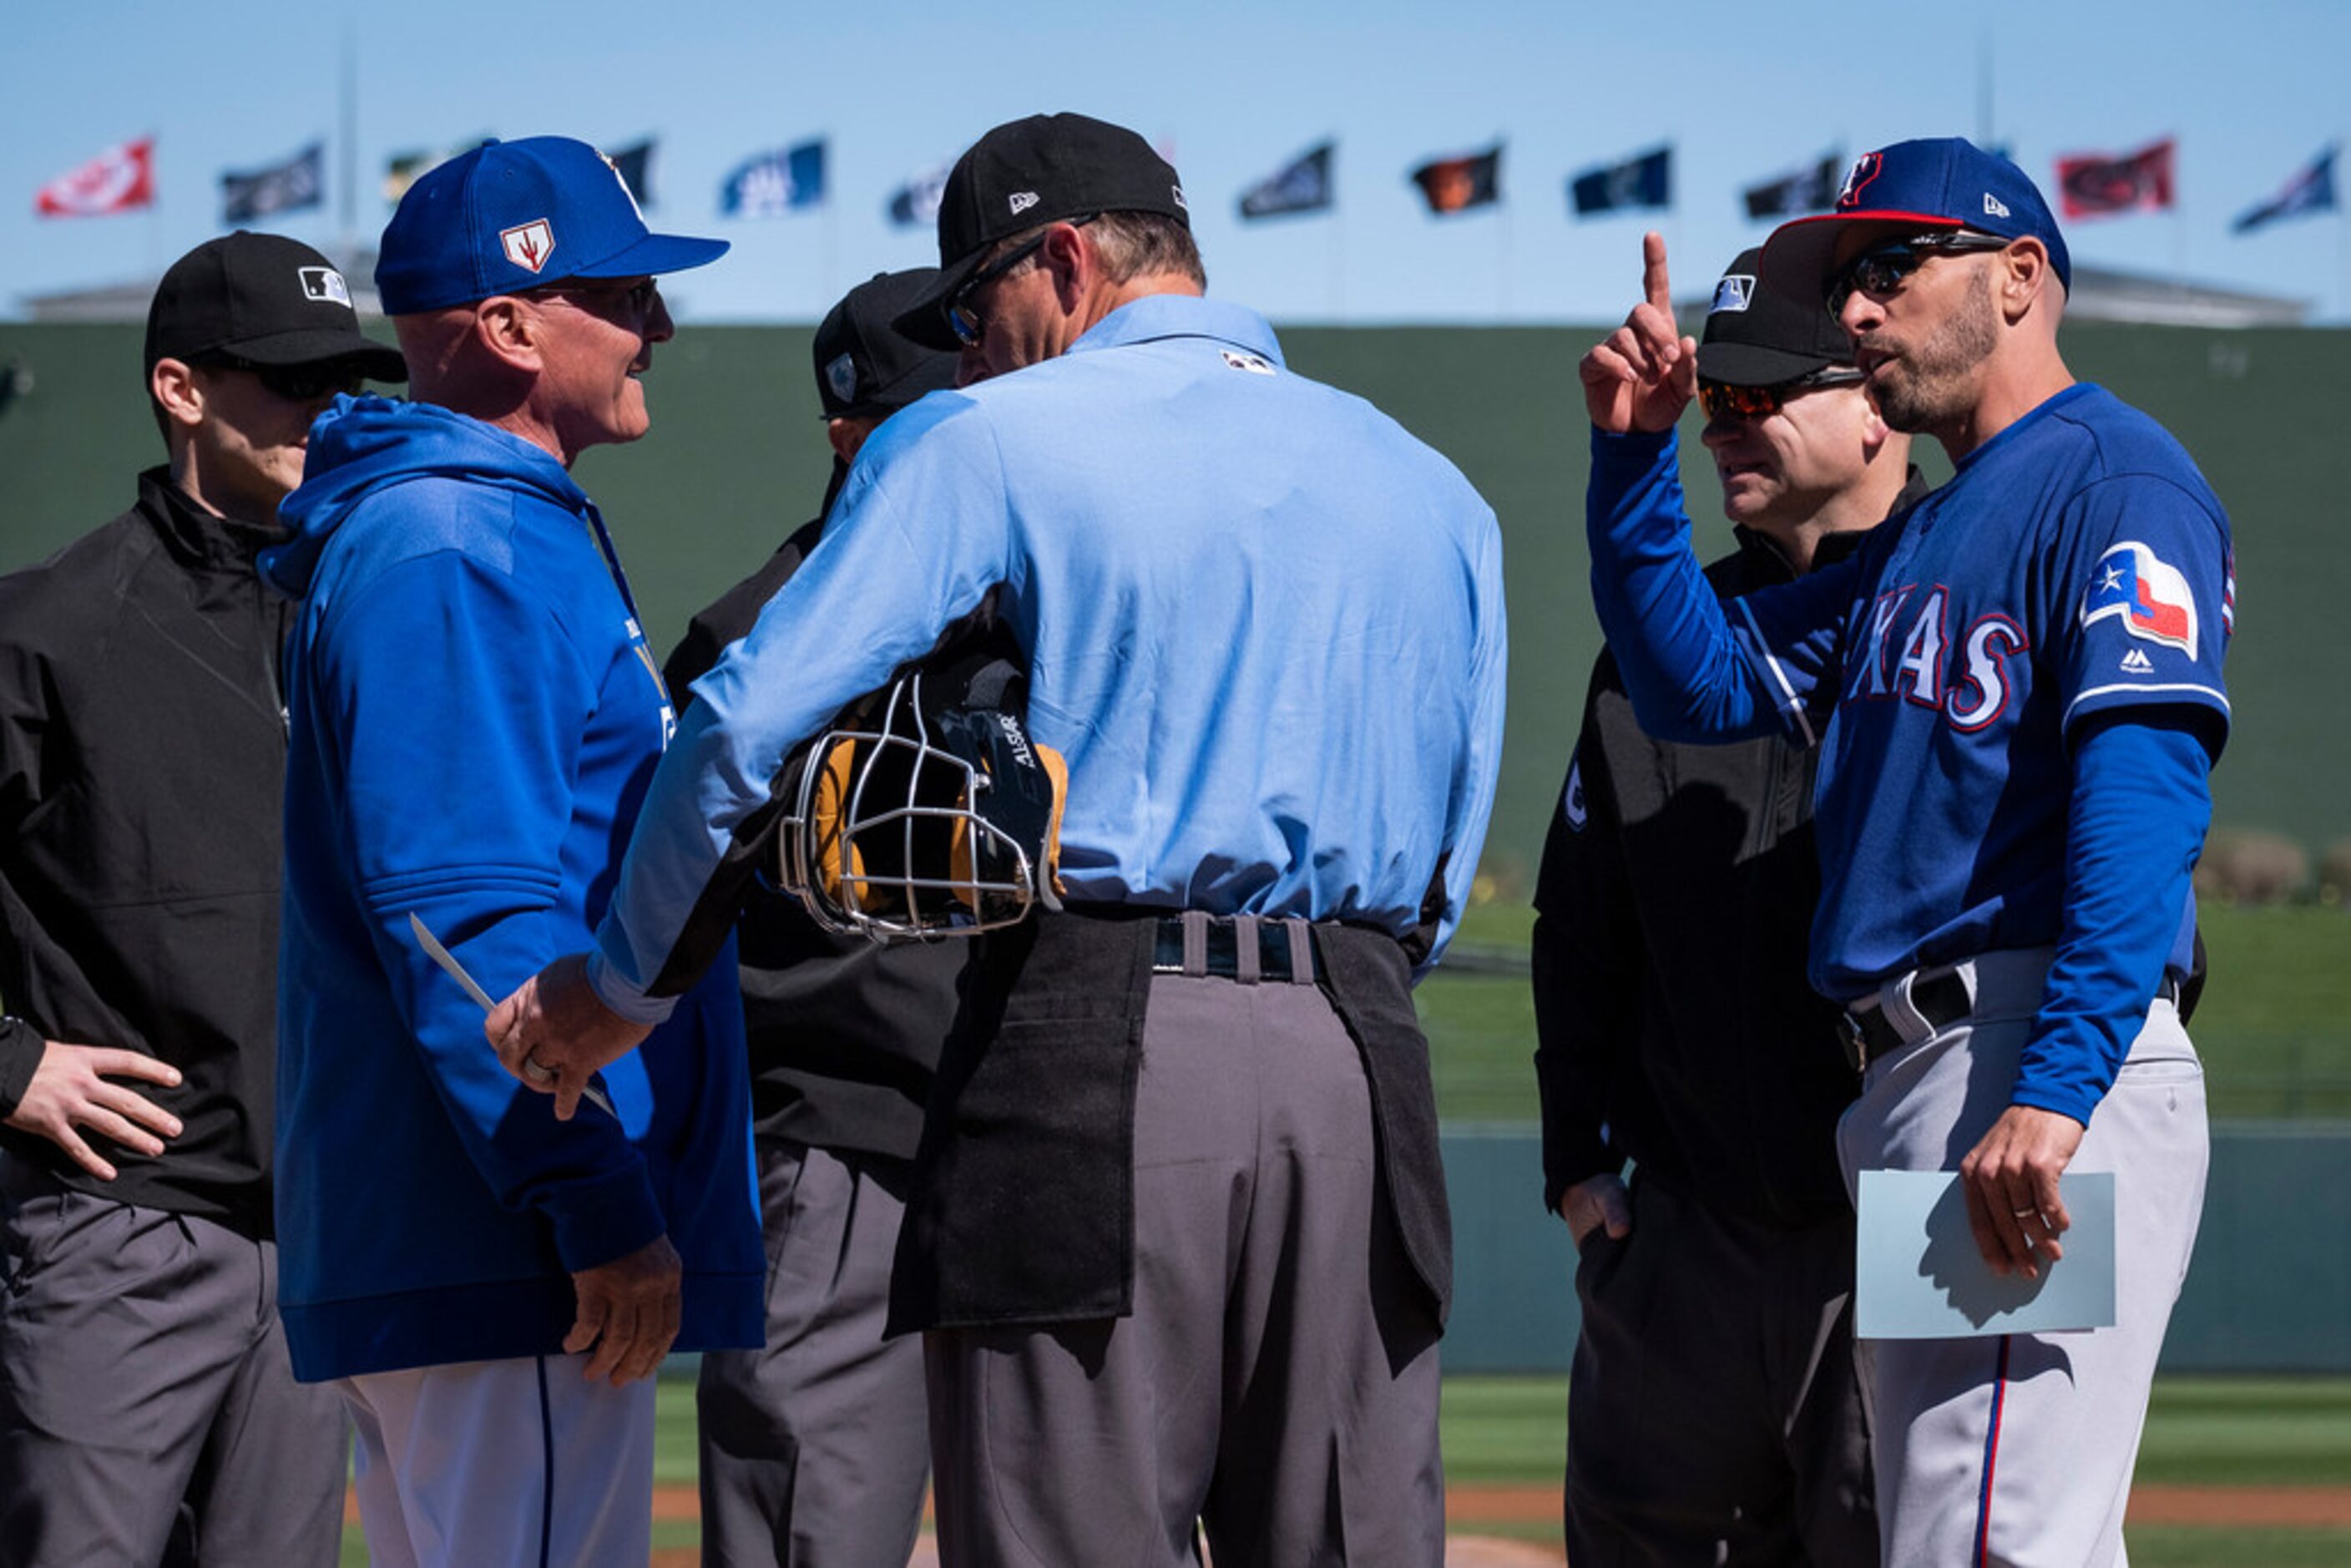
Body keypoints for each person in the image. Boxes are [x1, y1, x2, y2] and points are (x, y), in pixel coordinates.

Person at [490, 111, 1507, 1565]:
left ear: (1068, 262)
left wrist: (620, 989)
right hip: (1364, 1050)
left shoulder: (982, 437)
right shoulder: (1437, 489)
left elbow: (740, 729)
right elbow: (1450, 865)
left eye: (980, 304)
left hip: (1099, 1033)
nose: (970, 343)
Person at [1578, 138, 2226, 1566]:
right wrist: (1635, 454)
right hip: (1923, 1075)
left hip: (2028, 1049)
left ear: (2018, 279)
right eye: (1846, 282)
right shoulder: (1920, 542)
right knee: (1986, 1522)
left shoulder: (2117, 476)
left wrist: (2056, 1091)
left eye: (1889, 267)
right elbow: (1692, 685)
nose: (1857, 309)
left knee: (1984, 1533)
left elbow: (2144, 799)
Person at [264, 136, 763, 1568]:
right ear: (506, 325)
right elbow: (461, 913)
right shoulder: (452, 541)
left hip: (477, 1232)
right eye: (622, 292)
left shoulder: (464, 524)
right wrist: (593, 1204)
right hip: (505, 1239)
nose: (656, 326)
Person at [0, 230, 403, 1566]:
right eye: (289, 379)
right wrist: (10, 1062)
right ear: (182, 388)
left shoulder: (362, 611)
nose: (324, 412)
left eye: (345, 382)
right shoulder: (52, 626)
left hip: (315, 1250)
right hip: (121, 1228)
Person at [1534, 246, 1924, 1566]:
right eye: (1719, 399)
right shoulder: (1663, 637)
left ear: (1877, 402)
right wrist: (1580, 1167)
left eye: (1764, 394)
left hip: (1913, 1226)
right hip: (1686, 1243)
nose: (1728, 422)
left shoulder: (1971, 605)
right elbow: (1581, 924)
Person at [666, 269, 966, 1568]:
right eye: (935, 411)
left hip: (1047, 1141)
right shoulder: (750, 642)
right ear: (848, 429)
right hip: (845, 1154)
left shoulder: (1052, 604)